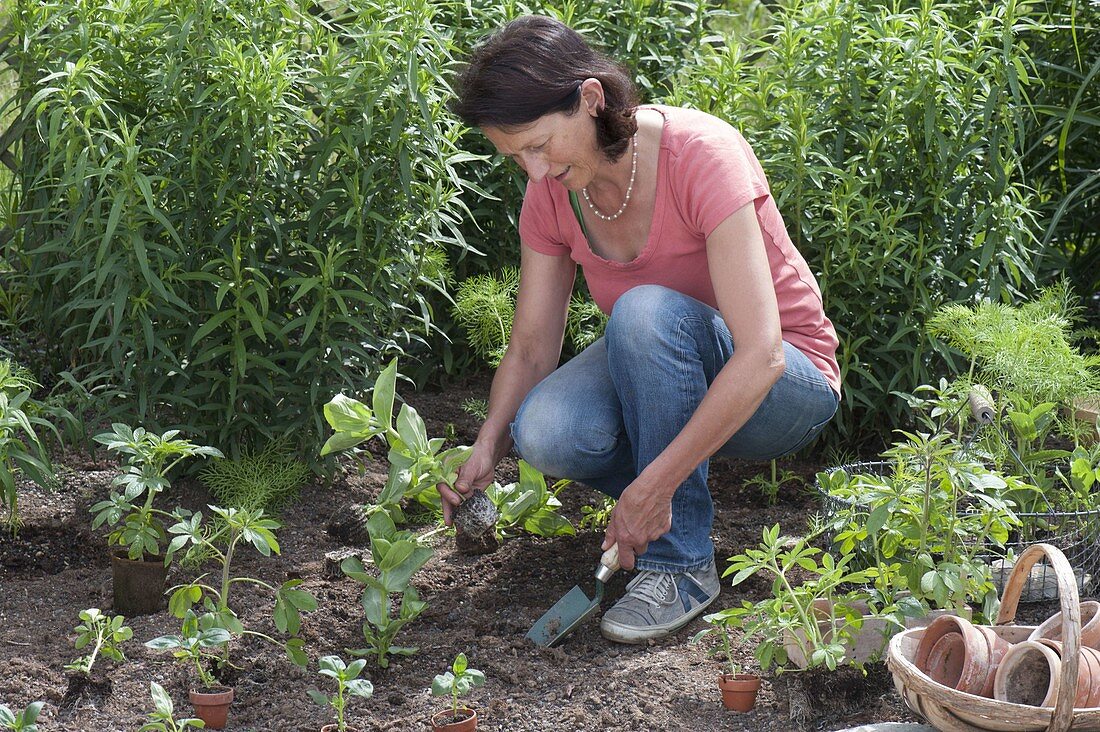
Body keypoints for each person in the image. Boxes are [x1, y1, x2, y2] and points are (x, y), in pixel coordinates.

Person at [440, 15, 841, 644]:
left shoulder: (702, 156)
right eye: (516, 156)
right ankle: (671, 506)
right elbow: (532, 345)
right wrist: (488, 444)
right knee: (543, 431)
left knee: (644, 311)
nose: (535, 171)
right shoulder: (551, 196)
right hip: (669, 367)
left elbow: (761, 354)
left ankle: (680, 564)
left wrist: (655, 484)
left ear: (591, 99)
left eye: (540, 145)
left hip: (786, 381)